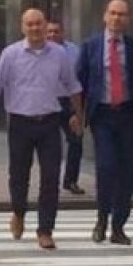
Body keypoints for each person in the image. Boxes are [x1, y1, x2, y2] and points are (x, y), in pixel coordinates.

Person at [0, 8, 83, 250]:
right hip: (20, 123)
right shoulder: (10, 54)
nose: (35, 28)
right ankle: (18, 212)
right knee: (18, 175)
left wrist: (80, 116)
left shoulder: (59, 54)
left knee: (50, 177)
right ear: (22, 27)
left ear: (45, 26)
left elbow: (73, 86)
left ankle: (45, 230)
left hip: (49, 122)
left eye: (39, 24)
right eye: (30, 24)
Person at [76, 0, 133, 245]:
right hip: (103, 115)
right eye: (113, 13)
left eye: (122, 14)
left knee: (127, 172)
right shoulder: (90, 46)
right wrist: (75, 113)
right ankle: (101, 219)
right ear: (105, 16)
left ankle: (119, 226)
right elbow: (80, 83)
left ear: (128, 19)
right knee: (106, 167)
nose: (117, 18)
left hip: (129, 114)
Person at [46, 21, 85, 195]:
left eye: (56, 31)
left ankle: (71, 180)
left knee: (76, 141)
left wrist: (79, 109)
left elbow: (81, 77)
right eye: (49, 32)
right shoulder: (41, 51)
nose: (52, 35)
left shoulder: (74, 51)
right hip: (48, 102)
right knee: (50, 146)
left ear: (63, 32)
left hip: (69, 101)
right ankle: (49, 181)